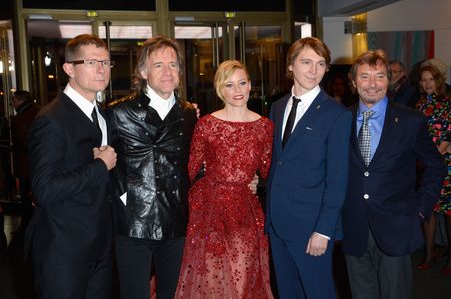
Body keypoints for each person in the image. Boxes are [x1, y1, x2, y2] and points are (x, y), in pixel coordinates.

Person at [341, 50, 447, 299]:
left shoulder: (411, 120)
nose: (372, 84)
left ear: (389, 81)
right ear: (354, 82)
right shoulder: (340, 119)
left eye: (379, 76)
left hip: (396, 226)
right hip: (353, 226)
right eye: (365, 77)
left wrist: (421, 208)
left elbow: (436, 166)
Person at [24, 34, 117, 299]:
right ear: (69, 69)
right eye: (91, 62)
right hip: (63, 252)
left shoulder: (103, 114)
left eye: (106, 62)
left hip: (100, 247)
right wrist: (99, 166)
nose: (101, 68)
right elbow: (44, 189)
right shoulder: (51, 119)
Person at [107, 36, 198, 299]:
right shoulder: (118, 113)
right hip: (133, 222)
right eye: (158, 65)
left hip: (175, 220)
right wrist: (123, 197)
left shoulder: (189, 113)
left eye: (173, 65)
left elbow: (195, 164)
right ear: (143, 72)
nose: (168, 72)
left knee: (171, 294)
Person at [175, 60, 274, 298]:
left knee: (243, 280)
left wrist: (256, 182)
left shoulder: (265, 127)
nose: (237, 90)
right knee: (210, 280)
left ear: (250, 86)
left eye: (242, 83)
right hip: (208, 211)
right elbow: (189, 169)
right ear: (220, 89)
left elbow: (268, 172)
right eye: (229, 85)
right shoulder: (206, 125)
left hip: (245, 214)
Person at [266, 37, 352, 299]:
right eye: (306, 62)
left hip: (310, 227)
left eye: (320, 64)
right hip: (277, 221)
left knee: (319, 292)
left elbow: (337, 179)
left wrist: (324, 231)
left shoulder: (336, 114)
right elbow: (278, 161)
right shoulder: (278, 107)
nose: (313, 71)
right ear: (291, 65)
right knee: (288, 292)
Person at [415, 64, 451, 275]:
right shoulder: (419, 104)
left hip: (445, 166)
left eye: (431, 79)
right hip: (425, 166)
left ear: (438, 81)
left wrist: (431, 161)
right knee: (427, 211)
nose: (427, 83)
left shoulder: (448, 104)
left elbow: (447, 136)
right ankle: (429, 254)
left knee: (448, 215)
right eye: (423, 80)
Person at [11, 90, 40, 231]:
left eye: (14, 100)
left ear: (21, 101)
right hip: (35, 165)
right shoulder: (37, 111)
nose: (12, 103)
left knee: (27, 199)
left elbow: (25, 141)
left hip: (27, 166)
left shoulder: (23, 118)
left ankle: (27, 228)